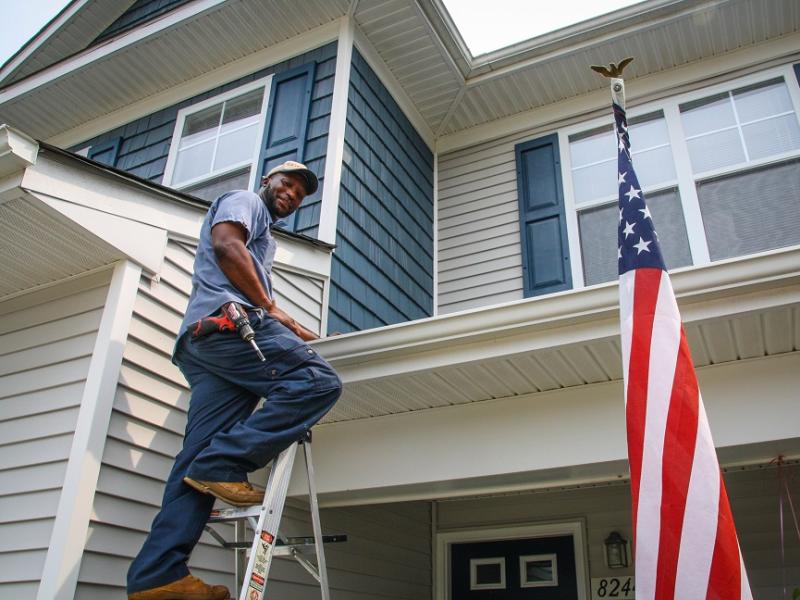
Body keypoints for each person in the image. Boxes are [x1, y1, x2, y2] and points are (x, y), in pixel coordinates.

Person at [127, 161, 342, 600]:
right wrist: (269, 307)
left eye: (301, 194)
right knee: (320, 383)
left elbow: (270, 310)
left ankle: (158, 573)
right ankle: (224, 462)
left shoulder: (264, 244)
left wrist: (308, 335)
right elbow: (227, 247)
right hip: (228, 330)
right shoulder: (244, 203)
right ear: (267, 180)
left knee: (194, 466)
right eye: (287, 184)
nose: (292, 195)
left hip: (207, 345)